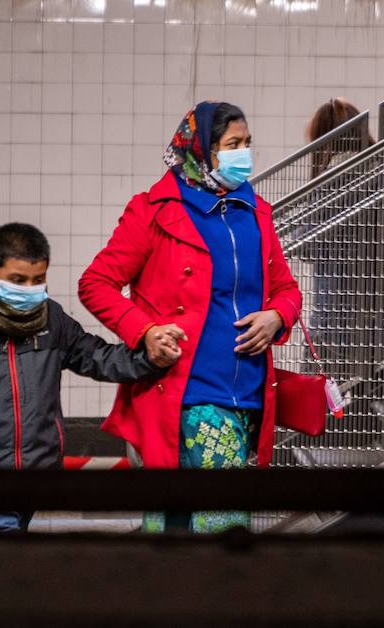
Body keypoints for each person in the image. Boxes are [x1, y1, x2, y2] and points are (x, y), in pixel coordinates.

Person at [79, 101, 302, 533]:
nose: (244, 155)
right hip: (187, 389)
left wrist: (277, 315)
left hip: (248, 391)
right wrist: (144, 331)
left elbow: (287, 290)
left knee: (176, 519)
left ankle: (176, 593)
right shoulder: (153, 211)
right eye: (232, 145)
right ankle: (212, 594)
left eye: (247, 144)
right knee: (221, 521)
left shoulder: (256, 213)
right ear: (200, 150)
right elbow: (96, 283)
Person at [0, 222, 184, 533]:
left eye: (37, 280)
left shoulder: (52, 319)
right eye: (18, 280)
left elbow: (99, 358)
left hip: (37, 475)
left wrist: (152, 357)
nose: (29, 289)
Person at [303, 97, 384, 377]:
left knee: (326, 408)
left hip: (339, 323)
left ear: (325, 137)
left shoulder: (333, 179)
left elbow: (308, 242)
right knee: (378, 404)